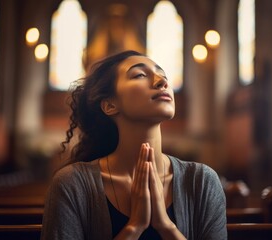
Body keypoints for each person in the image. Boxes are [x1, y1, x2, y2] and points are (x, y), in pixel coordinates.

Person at [40, 50, 227, 240]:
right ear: (110, 105)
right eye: (140, 75)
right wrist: (134, 228)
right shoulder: (72, 185)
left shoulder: (202, 181)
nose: (162, 82)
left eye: (164, 76)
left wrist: (166, 226)